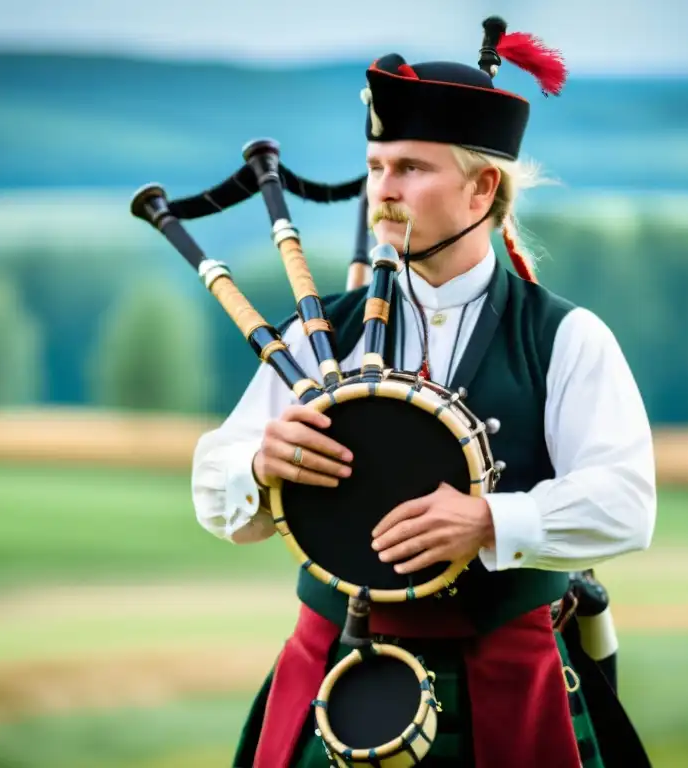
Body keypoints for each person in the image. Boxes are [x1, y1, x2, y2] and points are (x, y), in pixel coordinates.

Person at [191, 17, 657, 768]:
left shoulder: (563, 337)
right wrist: (257, 463)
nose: (382, 190)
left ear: (483, 186)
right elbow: (214, 490)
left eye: (410, 167)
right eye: (376, 167)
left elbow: (628, 506)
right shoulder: (321, 335)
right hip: (334, 680)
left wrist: (490, 520)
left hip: (507, 684)